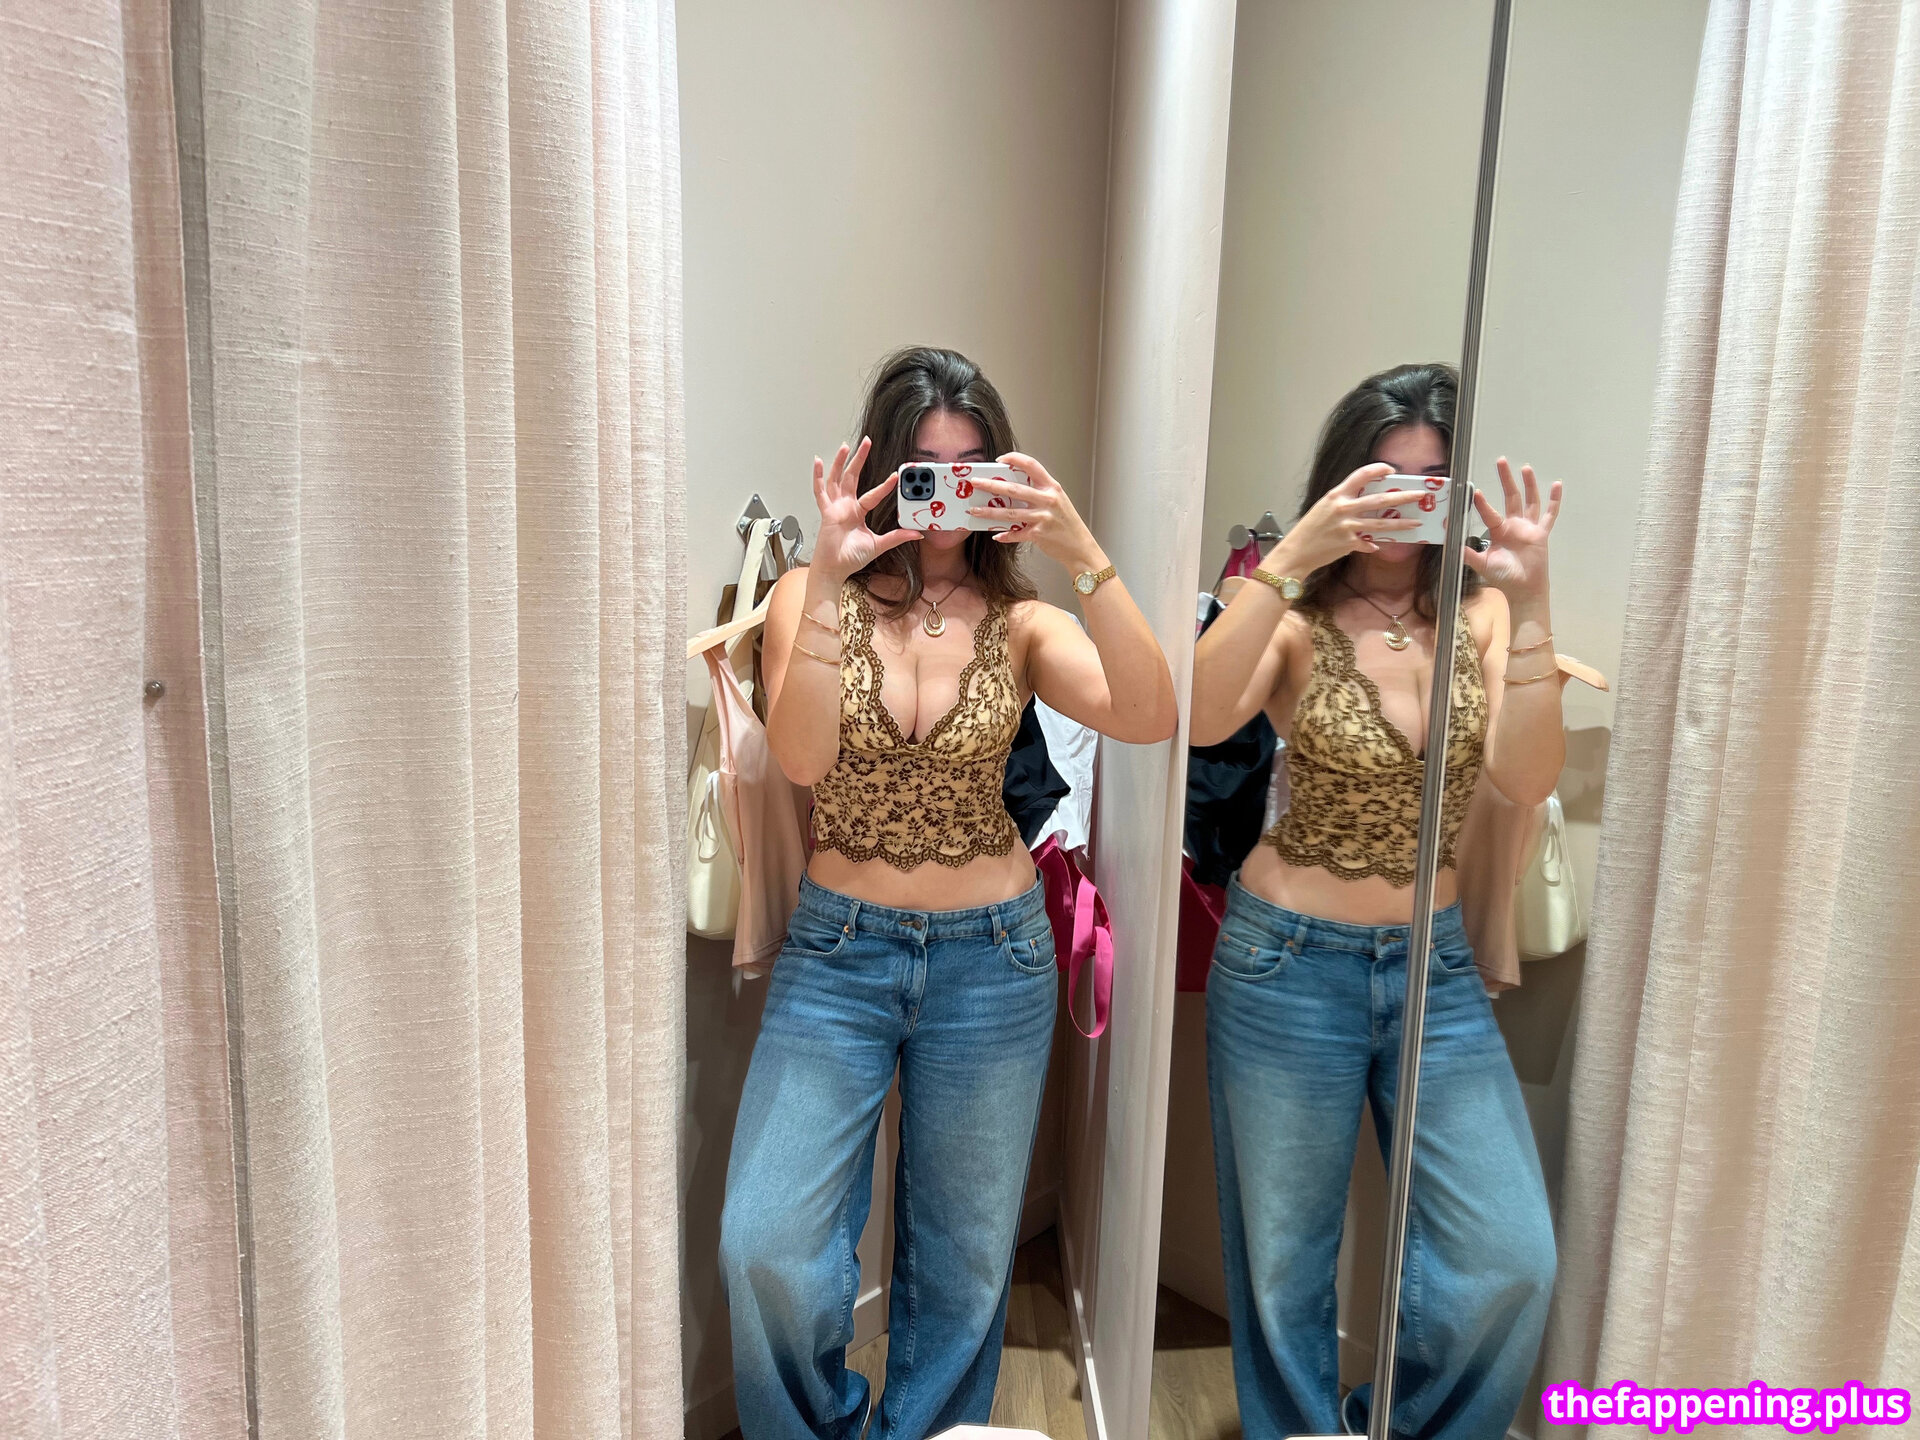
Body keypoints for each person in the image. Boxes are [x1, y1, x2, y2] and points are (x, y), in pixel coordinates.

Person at [720, 345, 1177, 1440]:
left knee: (965, 1265)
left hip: (994, 961)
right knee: (766, 1244)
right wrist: (827, 575)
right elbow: (802, 759)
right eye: (925, 468)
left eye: (973, 470)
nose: (946, 495)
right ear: (884, 467)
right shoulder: (807, 598)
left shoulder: (1024, 624)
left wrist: (1080, 549)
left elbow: (1151, 711)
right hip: (839, 954)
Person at [1187, 362, 1563, 1440]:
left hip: (1434, 971)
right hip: (1284, 965)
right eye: (1380, 479)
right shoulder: (1290, 615)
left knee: (1510, 1258)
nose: (1404, 503)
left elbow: (1527, 775)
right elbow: (1201, 720)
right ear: (1341, 482)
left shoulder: (1481, 614)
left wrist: (1535, 599)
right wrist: (1289, 557)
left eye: (1429, 482)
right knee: (1283, 1268)